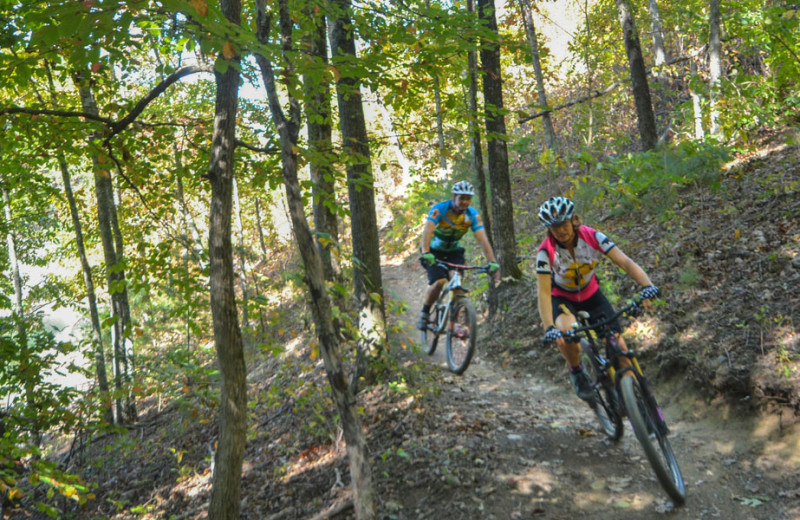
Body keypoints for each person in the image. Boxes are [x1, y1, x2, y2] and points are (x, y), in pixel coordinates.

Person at [535, 196, 660, 400]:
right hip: (563, 300)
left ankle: (637, 404)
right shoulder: (545, 251)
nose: (560, 231)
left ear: (573, 220)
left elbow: (626, 262)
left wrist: (648, 286)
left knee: (620, 350)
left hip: (592, 295)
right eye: (554, 227)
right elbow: (543, 292)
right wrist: (549, 327)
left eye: (563, 224)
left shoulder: (592, 236)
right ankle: (577, 372)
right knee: (567, 336)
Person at [417, 181, 500, 330]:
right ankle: (425, 312)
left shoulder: (472, 215)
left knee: (457, 284)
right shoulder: (440, 209)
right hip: (434, 252)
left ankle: (453, 322)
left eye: (468, 199)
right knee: (439, 281)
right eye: (461, 198)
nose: (465, 202)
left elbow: (482, 239)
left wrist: (492, 261)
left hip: (454, 252)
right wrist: (425, 251)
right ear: (454, 196)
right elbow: (428, 230)